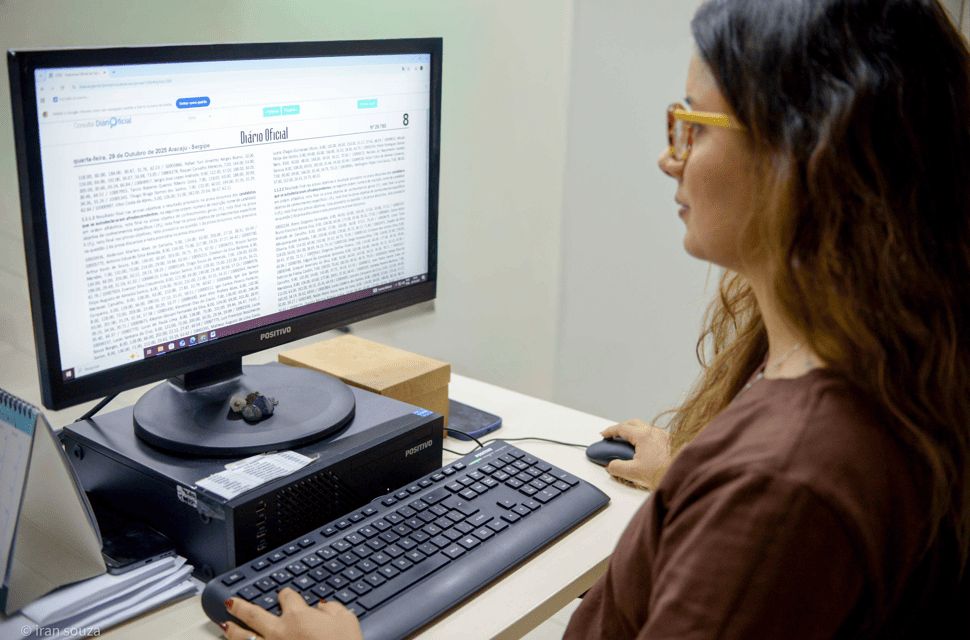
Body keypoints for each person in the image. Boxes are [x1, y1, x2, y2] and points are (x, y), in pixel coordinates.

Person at [219, 0, 970, 638]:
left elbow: (786, 506)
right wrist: (695, 489)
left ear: (806, 154)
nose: (668, 159)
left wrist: (736, 502)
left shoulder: (784, 484)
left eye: (694, 126)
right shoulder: (900, 361)